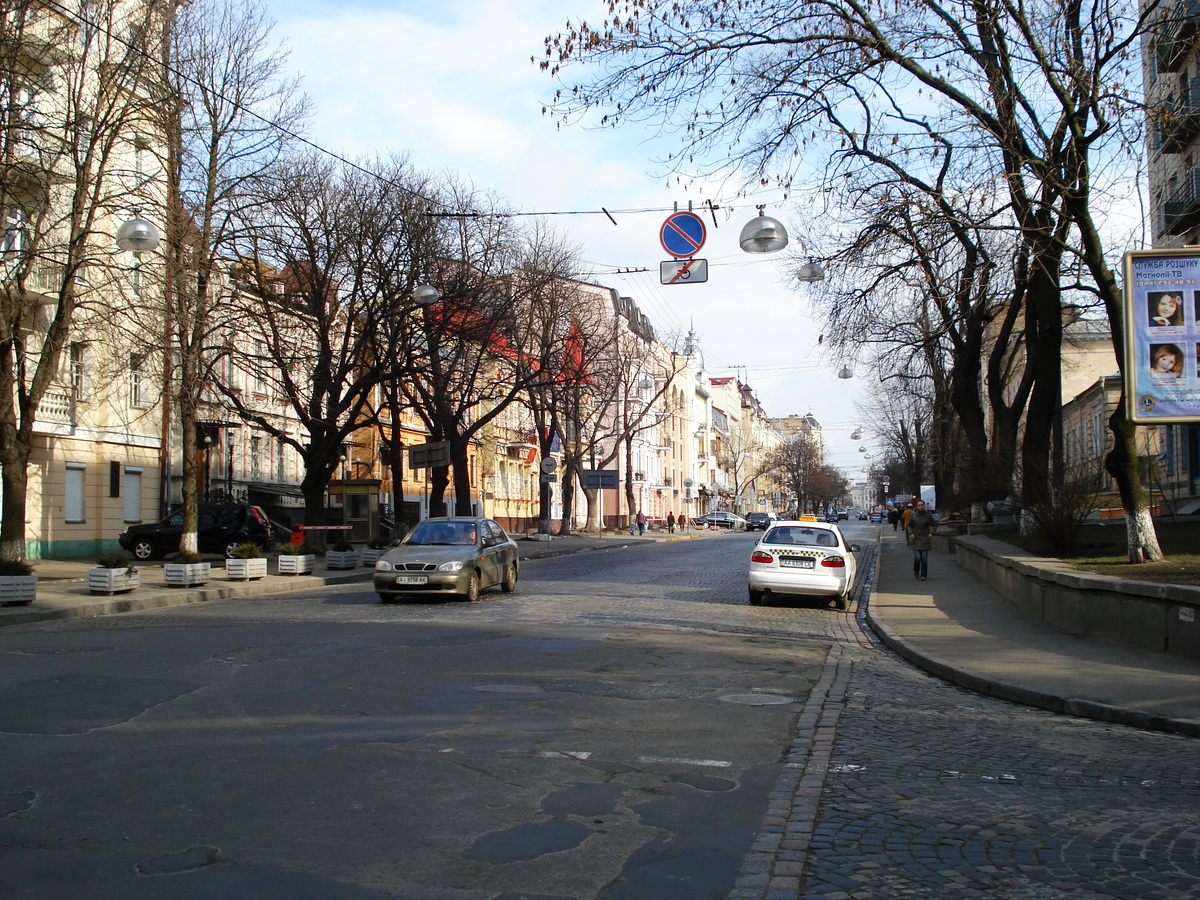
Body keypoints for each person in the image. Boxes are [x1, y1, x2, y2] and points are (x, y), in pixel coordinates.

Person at [906, 499, 935, 581]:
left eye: (922, 505)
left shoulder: (928, 515)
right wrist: (911, 533)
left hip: (925, 539)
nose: (921, 506)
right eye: (919, 505)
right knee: (918, 558)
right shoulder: (914, 515)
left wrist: (931, 532)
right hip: (915, 539)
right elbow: (909, 525)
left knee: (924, 559)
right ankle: (916, 570)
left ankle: (923, 575)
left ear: (924, 506)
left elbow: (934, 524)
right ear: (917, 506)